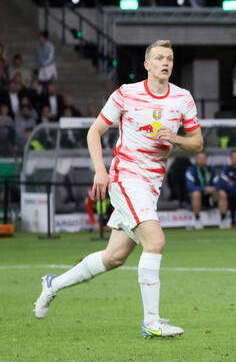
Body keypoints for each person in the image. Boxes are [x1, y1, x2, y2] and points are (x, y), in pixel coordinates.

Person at [34, 39, 202, 338]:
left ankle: (53, 284)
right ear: (147, 65)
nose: (166, 63)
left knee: (114, 257)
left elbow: (197, 143)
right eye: (160, 58)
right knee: (156, 241)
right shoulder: (126, 94)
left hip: (151, 183)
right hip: (126, 176)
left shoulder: (182, 98)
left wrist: (175, 139)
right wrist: (100, 171)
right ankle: (151, 321)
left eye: (170, 58)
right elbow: (95, 131)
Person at [185, 150, 226, 229]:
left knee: (222, 193)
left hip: (211, 194)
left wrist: (214, 188)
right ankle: (197, 219)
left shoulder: (212, 169)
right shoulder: (191, 170)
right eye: (199, 158)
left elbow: (218, 183)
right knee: (196, 193)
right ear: (196, 159)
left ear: (207, 159)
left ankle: (223, 219)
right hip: (197, 194)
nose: (201, 160)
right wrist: (204, 188)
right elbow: (190, 186)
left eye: (203, 158)